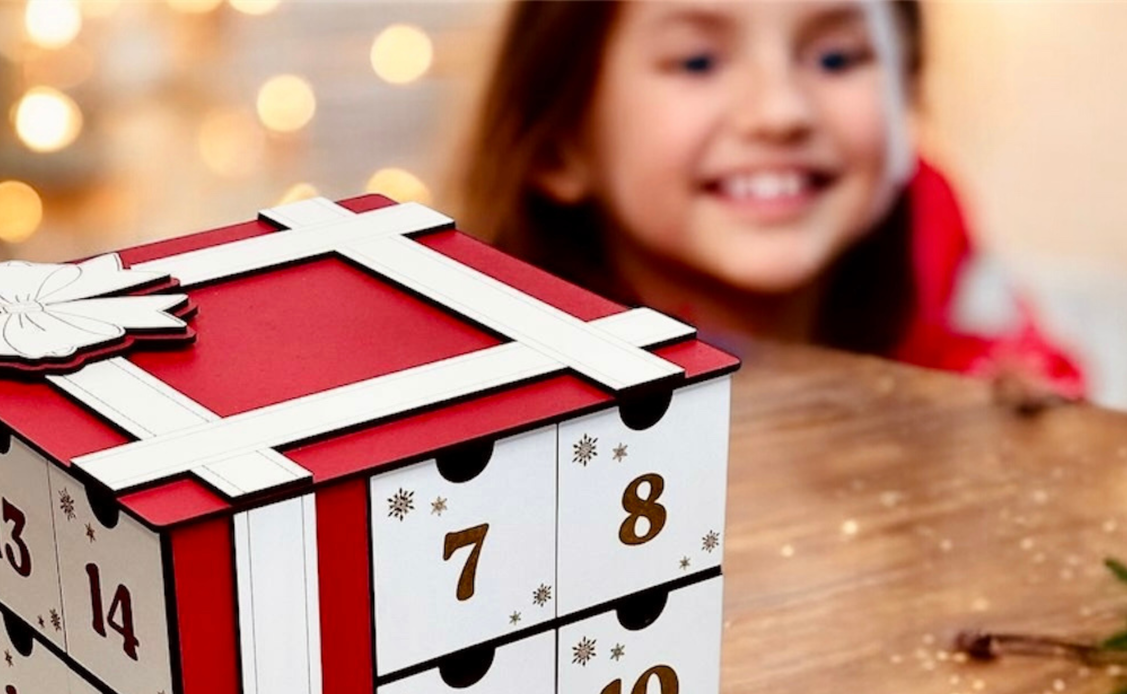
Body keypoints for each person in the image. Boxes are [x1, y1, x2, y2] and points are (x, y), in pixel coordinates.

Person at [453, 0, 1084, 400]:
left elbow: (1044, 383)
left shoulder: (937, 247)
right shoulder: (508, 398)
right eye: (698, 62)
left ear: (906, 97)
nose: (781, 112)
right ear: (560, 146)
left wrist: (1018, 415)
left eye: (836, 57)